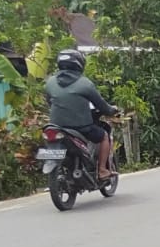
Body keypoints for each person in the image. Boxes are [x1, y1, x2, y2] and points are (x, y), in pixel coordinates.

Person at [45, 49, 119, 180]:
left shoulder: (50, 82)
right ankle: (102, 170)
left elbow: (49, 101)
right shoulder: (85, 84)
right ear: (79, 64)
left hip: (55, 126)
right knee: (104, 136)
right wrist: (112, 110)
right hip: (81, 127)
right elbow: (102, 106)